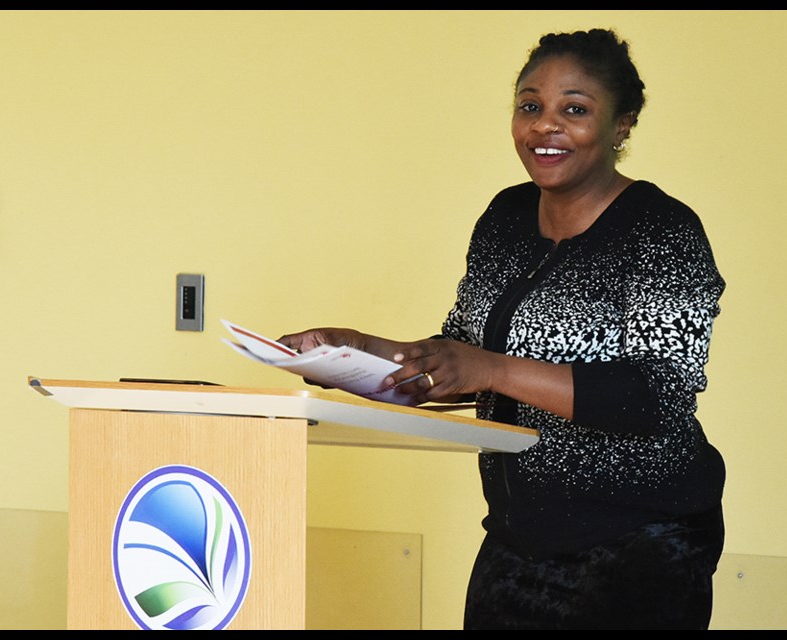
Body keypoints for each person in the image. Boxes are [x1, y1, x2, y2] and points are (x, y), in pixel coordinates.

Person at [279, 28, 726, 630]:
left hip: (641, 542)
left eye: (574, 108)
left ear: (622, 125)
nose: (545, 125)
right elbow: (457, 360)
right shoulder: (506, 218)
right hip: (518, 538)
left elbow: (653, 397)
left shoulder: (662, 232)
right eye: (529, 105)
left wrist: (490, 368)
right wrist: (353, 353)